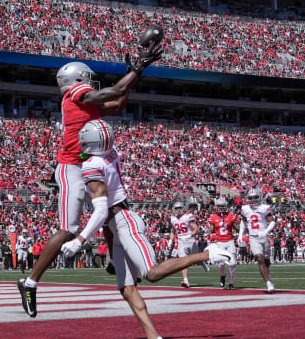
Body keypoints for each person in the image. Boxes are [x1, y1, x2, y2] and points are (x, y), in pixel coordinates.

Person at [45, 120, 235, 335]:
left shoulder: (91, 165)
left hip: (124, 221)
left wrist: (79, 240)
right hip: (116, 225)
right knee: (126, 288)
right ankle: (153, 335)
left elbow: (99, 211)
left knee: (151, 273)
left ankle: (207, 253)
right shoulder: (110, 152)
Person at [18, 38, 163, 311]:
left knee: (111, 211)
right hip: (71, 168)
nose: (92, 83)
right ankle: (30, 282)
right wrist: (137, 70)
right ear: (77, 79)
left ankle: (113, 261)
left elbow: (118, 103)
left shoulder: (84, 102)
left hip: (87, 165)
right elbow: (114, 91)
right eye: (88, 79)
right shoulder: (74, 94)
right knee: (69, 229)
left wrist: (132, 77)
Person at [238, 188, 276, 293]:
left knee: (267, 261)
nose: (253, 200)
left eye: (255, 197)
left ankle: (267, 272)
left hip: (264, 237)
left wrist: (266, 231)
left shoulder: (265, 207)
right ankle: (268, 283)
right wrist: (240, 234)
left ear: (259, 197)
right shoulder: (245, 208)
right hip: (253, 237)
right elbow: (244, 222)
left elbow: (272, 222)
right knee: (259, 258)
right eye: (251, 198)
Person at [169, 200, 209, 288]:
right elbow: (173, 231)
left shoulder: (188, 216)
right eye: (177, 208)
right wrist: (170, 241)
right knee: (183, 261)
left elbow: (196, 229)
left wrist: (188, 236)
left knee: (195, 260)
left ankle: (201, 262)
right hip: (181, 242)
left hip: (190, 241)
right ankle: (186, 281)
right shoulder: (173, 218)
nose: (179, 210)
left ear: (183, 208)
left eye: (180, 208)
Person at [207, 197, 238, 290]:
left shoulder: (231, 215)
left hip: (230, 241)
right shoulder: (213, 217)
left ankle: (231, 283)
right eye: (219, 206)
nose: (221, 208)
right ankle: (222, 275)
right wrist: (211, 225)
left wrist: (241, 226)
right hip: (220, 242)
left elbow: (237, 227)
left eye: (223, 206)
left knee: (232, 263)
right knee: (221, 264)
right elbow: (211, 231)